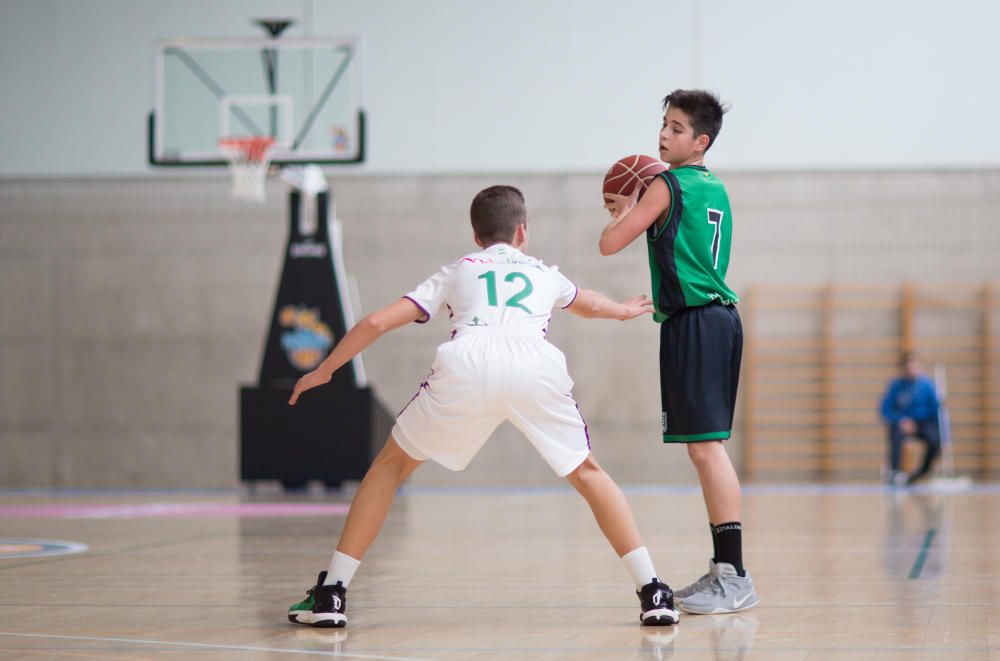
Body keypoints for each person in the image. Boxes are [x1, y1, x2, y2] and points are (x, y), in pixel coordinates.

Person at [284, 185, 680, 628]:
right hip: (534, 363)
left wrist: (325, 370)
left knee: (390, 467)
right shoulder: (543, 272)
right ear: (522, 231)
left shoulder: (457, 271)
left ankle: (332, 594)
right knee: (588, 472)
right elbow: (586, 304)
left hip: (467, 363)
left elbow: (376, 321)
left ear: (477, 237)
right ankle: (654, 592)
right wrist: (623, 310)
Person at [597, 89, 759, 615]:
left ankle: (734, 575)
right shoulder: (713, 187)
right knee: (703, 447)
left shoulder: (666, 185)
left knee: (708, 448)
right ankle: (724, 570)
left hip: (697, 321)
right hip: (713, 319)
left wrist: (622, 207)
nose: (664, 135)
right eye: (663, 124)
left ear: (701, 140)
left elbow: (610, 242)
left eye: (676, 128)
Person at [879, 352, 941, 485]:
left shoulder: (927, 385)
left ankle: (922, 472)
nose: (912, 370)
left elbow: (935, 411)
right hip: (903, 422)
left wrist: (943, 435)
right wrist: (900, 419)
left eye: (914, 366)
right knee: (895, 434)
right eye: (908, 367)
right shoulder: (895, 385)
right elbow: (885, 410)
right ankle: (896, 472)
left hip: (923, 422)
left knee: (935, 439)